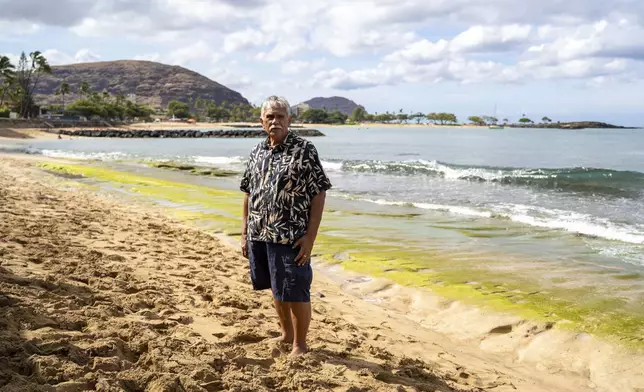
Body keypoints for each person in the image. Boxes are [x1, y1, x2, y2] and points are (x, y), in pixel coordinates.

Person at [240, 95, 332, 356]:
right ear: (261, 121)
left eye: (281, 116)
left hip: (290, 236)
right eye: (270, 116)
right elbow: (248, 192)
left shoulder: (304, 150)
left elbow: (319, 192)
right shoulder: (257, 151)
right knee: (276, 287)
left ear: (290, 120)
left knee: (296, 291)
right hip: (259, 233)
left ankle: (300, 344)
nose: (275, 121)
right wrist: (245, 233)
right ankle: (286, 334)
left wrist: (310, 238)